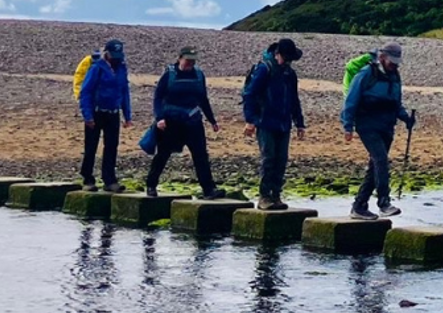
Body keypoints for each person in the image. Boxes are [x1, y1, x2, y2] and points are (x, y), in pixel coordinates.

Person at [342, 43, 415, 219]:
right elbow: (351, 100)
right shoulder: (366, 74)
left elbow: (396, 103)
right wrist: (348, 126)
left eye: (397, 62)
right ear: (382, 57)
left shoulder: (395, 76)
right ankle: (384, 203)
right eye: (392, 62)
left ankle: (359, 207)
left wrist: (406, 118)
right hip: (367, 125)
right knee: (381, 160)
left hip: (386, 126)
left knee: (375, 166)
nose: (395, 65)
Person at [147, 46, 223, 198]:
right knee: (163, 154)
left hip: (193, 122)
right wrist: (159, 118)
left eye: (192, 61)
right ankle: (151, 185)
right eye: (188, 60)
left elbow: (203, 99)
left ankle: (209, 189)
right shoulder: (169, 75)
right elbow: (157, 98)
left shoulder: (199, 75)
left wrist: (212, 120)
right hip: (171, 122)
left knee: (200, 155)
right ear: (179, 58)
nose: (190, 64)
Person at [241, 38, 306, 209]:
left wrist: (299, 122)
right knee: (268, 158)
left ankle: (276, 195)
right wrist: (250, 120)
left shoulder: (289, 74)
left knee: (281, 160)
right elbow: (249, 95)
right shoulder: (264, 69)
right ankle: (264, 197)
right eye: (286, 58)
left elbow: (294, 99)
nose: (288, 62)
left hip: (284, 123)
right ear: (277, 54)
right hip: (265, 122)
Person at [77, 37, 131, 190]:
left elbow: (124, 92)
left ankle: (109, 180)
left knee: (111, 146)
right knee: (91, 146)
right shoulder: (97, 68)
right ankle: (87, 178)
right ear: (106, 53)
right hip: (96, 112)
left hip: (113, 113)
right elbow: (86, 92)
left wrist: (127, 115)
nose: (116, 59)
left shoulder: (121, 68)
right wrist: (87, 115)